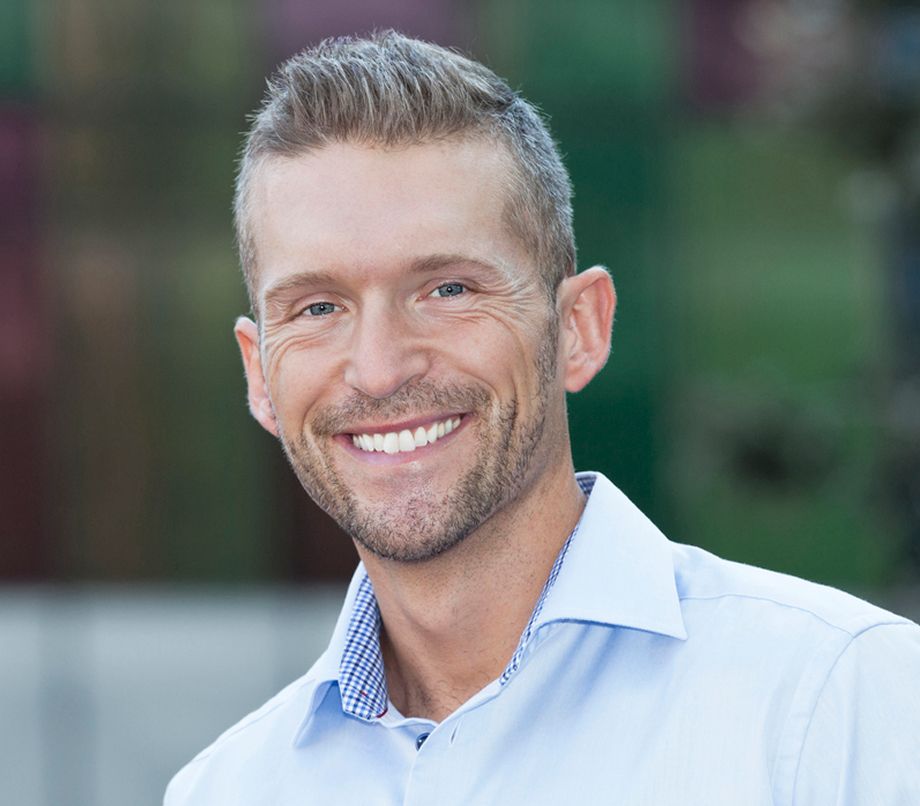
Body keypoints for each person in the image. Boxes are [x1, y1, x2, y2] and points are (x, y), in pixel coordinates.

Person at [165, 30, 920, 805]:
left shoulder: (840, 704)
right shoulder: (225, 790)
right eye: (318, 308)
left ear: (580, 328)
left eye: (448, 290)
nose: (380, 368)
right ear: (259, 374)